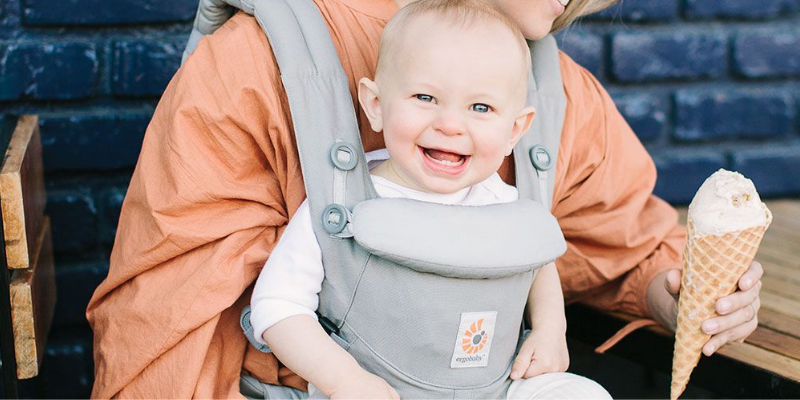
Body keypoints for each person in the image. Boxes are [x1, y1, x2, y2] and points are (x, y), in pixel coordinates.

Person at [86, 0, 765, 398]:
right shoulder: (257, 65)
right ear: (374, 101)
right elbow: (170, 334)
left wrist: (685, 296)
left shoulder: (555, 92)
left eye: (478, 106)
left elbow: (624, 248)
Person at [246, 1, 599, 398]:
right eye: (425, 98)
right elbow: (277, 307)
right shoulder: (345, 204)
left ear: (515, 130)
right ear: (375, 105)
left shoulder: (503, 201)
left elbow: (537, 263)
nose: (449, 125)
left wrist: (551, 330)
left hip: (495, 387)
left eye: (480, 107)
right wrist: (345, 380)